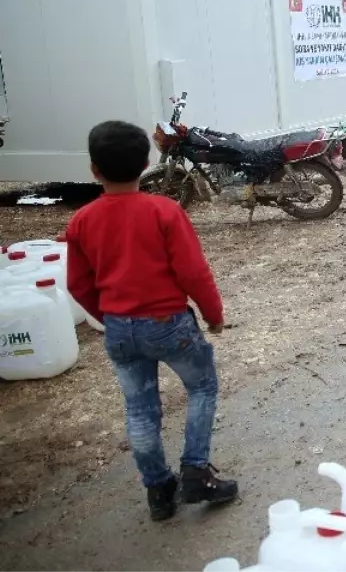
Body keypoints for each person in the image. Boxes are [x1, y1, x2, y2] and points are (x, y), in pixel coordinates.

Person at [65, 121, 237, 522]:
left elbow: (77, 283)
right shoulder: (164, 211)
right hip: (168, 322)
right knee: (202, 386)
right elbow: (193, 273)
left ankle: (159, 490)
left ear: (94, 170)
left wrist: (108, 314)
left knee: (140, 409)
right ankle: (196, 470)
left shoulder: (82, 221)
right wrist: (213, 315)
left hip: (120, 329)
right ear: (146, 164)